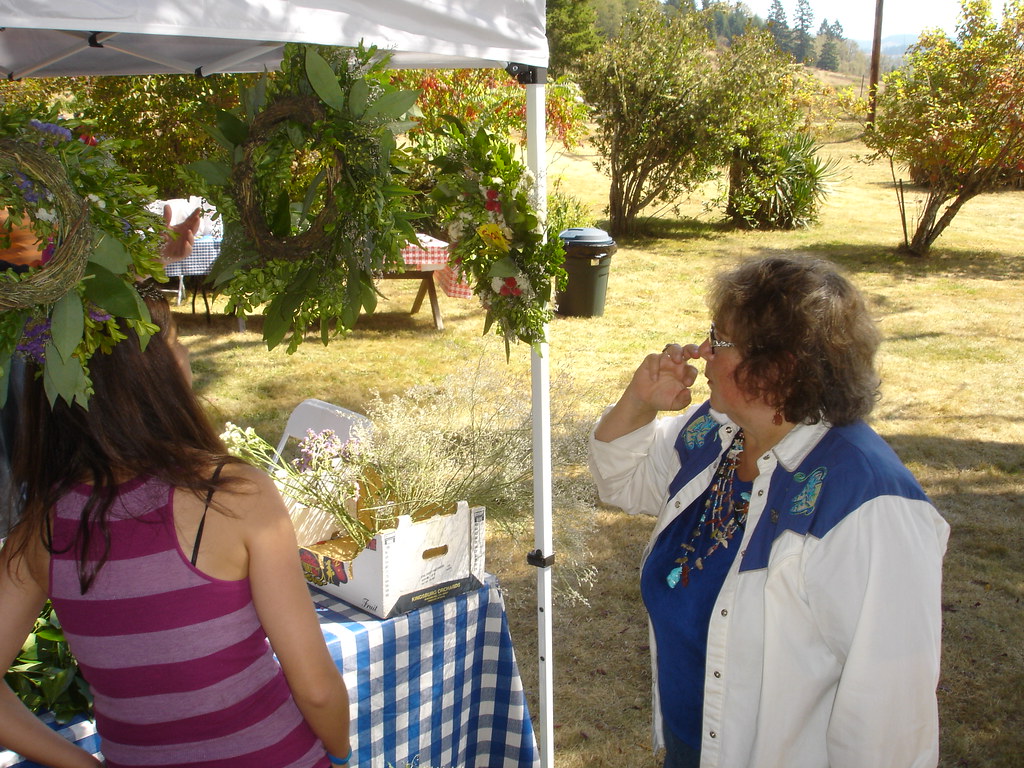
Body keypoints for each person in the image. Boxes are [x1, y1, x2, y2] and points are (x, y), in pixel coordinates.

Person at [589, 256, 949, 768]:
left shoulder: (870, 505)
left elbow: (888, 721)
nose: (703, 351)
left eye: (719, 340)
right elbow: (622, 483)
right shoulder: (722, 432)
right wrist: (639, 403)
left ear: (777, 368)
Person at [0, 286, 352, 767]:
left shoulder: (40, 527)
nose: (186, 356)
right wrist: (340, 752)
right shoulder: (232, 495)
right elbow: (316, 688)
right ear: (146, 373)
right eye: (176, 341)